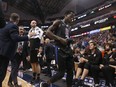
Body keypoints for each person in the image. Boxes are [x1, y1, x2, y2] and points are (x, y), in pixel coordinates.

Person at [40, 10, 75, 87]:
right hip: (60, 49)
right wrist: (60, 39)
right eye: (71, 16)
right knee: (61, 73)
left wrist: (70, 41)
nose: (72, 18)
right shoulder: (58, 22)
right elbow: (48, 32)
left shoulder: (69, 26)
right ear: (66, 15)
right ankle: (46, 84)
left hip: (68, 50)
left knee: (70, 71)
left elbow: (66, 38)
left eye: (73, 17)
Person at [0, 13, 35, 87]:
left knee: (10, 70)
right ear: (17, 20)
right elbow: (15, 38)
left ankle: (11, 82)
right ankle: (14, 83)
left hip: (4, 52)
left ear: (10, 18)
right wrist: (29, 36)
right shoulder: (13, 26)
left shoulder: (4, 26)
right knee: (3, 73)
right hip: (6, 53)